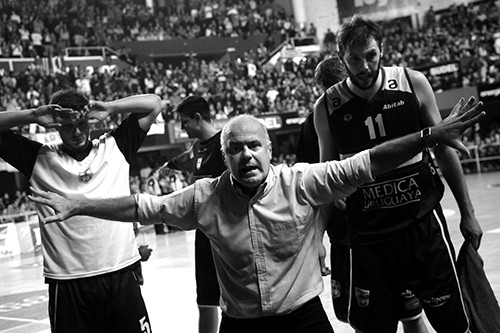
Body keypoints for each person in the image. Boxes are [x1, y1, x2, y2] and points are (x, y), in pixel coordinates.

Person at [29, 98, 483, 333]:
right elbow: (142, 206)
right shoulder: (204, 197)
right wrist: (78, 204)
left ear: (270, 150)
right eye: (234, 149)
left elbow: (368, 161)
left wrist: (430, 135)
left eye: (254, 146)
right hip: (241, 326)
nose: (245, 155)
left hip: (303, 321)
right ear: (222, 157)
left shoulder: (301, 182)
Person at [314, 15, 482, 333]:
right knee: (375, 327)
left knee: (453, 325)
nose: (363, 66)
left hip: (423, 229)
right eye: (354, 58)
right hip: (368, 238)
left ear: (382, 50)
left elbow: (445, 151)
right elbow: (328, 178)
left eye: (371, 55)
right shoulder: (327, 107)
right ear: (341, 58)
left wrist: (468, 213)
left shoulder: (412, 82)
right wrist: (318, 238)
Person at [0, 89, 162, 333]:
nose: (76, 132)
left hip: (120, 275)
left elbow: (154, 104)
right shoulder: (39, 159)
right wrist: (33, 115)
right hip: (69, 283)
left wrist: (109, 107)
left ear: (90, 120)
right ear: (55, 125)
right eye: (67, 126)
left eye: (81, 123)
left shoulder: (115, 147)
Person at [297, 56, 428, 333]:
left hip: (387, 230)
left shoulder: (385, 103)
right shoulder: (316, 123)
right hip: (351, 238)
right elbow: (310, 185)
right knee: (370, 318)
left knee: (409, 313)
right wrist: (318, 232)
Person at [158, 95, 225, 333]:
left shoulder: (226, 145)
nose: (182, 127)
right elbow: (184, 160)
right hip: (203, 236)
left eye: (184, 121)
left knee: (236, 300)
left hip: (229, 238)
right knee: (206, 301)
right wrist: (169, 166)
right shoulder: (197, 148)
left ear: (198, 118)